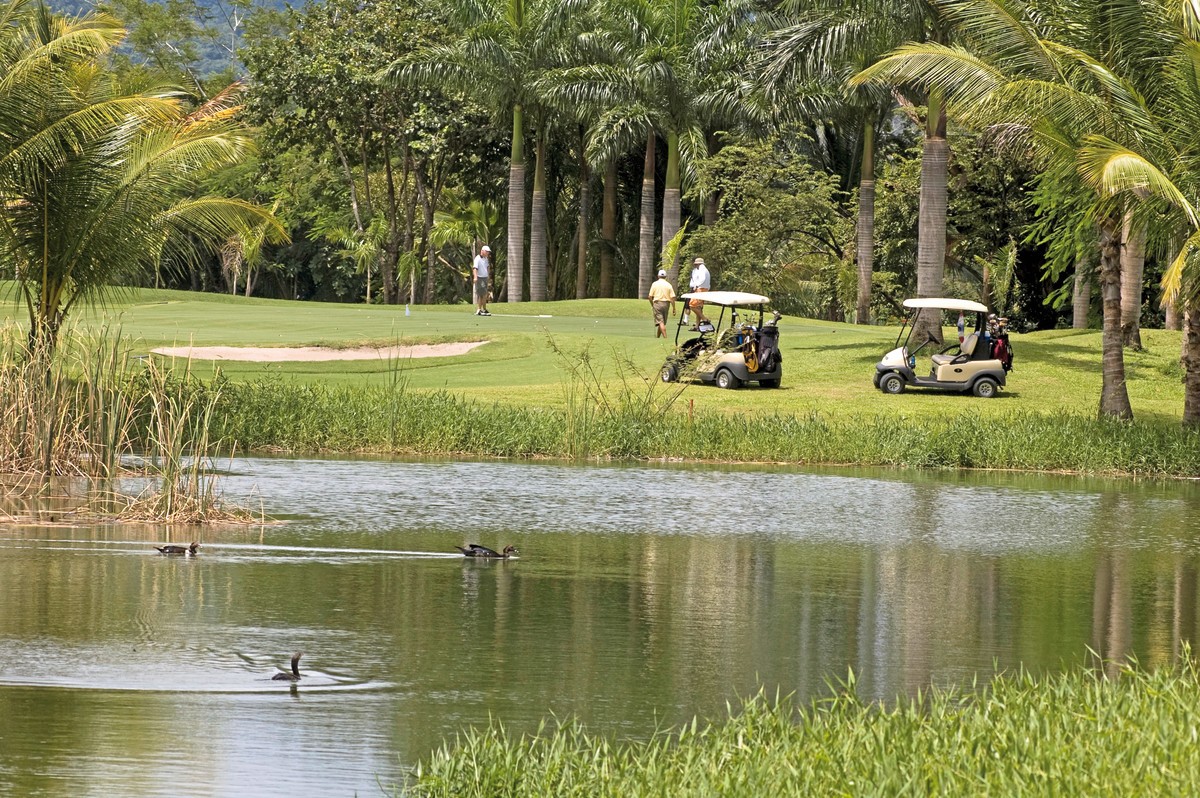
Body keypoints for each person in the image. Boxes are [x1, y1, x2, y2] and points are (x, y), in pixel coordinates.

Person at [648, 269, 676, 338]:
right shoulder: (668, 285)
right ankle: (657, 337)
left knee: (661, 322)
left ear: (658, 276)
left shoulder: (655, 284)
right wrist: (674, 308)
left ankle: (665, 338)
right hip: (666, 304)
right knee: (662, 322)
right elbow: (672, 298)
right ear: (665, 276)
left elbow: (650, 296)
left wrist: (652, 305)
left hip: (657, 303)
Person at [687, 257, 710, 328]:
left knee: (692, 305)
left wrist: (696, 285)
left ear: (699, 264)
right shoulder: (705, 270)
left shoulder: (702, 270)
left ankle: (705, 319)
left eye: (696, 264)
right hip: (704, 289)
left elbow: (702, 279)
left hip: (700, 289)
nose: (695, 266)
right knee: (698, 307)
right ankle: (697, 326)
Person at [473, 246, 492, 316]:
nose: (488, 253)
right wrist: (475, 277)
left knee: (484, 294)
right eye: (487, 252)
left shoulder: (486, 258)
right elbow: (475, 268)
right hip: (479, 278)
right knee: (481, 294)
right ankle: (479, 310)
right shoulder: (477, 259)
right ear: (482, 251)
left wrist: (488, 276)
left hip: (485, 278)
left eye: (488, 252)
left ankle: (483, 309)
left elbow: (487, 267)